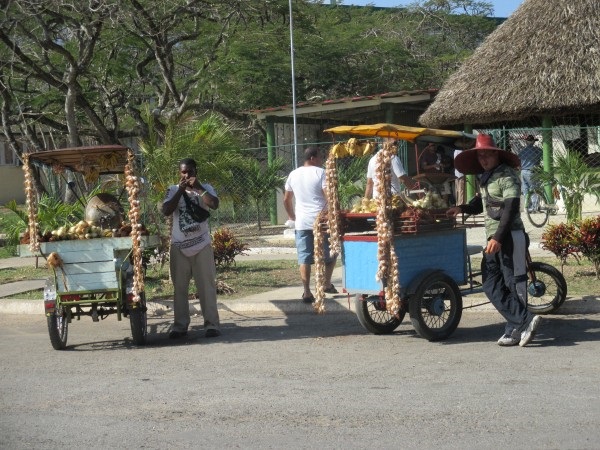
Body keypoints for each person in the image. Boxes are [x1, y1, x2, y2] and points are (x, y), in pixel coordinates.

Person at [446, 134, 541, 347]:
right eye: (480, 156)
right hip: (493, 240)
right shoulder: (487, 177)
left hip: (509, 237)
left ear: (496, 154)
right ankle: (523, 321)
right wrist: (461, 209)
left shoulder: (508, 176)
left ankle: (516, 327)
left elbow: (511, 208)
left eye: (487, 155)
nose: (483, 159)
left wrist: (498, 237)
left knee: (513, 284)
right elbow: (481, 203)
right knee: (490, 283)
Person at [162, 158, 221, 339]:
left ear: (196, 171)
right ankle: (180, 326)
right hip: (179, 246)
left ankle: (211, 325)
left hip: (201, 245)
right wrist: (180, 190)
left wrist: (199, 188)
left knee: (206, 287)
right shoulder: (173, 190)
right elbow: (166, 210)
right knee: (180, 287)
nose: (186, 175)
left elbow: (214, 204)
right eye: (183, 172)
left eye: (189, 171)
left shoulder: (206, 188)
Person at [283, 147, 338, 303]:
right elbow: (329, 196)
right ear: (313, 158)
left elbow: (286, 199)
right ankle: (326, 284)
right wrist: (333, 213)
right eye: (320, 157)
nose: (321, 160)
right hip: (321, 222)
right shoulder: (321, 173)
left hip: (302, 223)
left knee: (304, 258)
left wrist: (292, 216)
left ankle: (307, 292)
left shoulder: (293, 174)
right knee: (332, 254)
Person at [518, 134, 543, 209]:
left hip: (523, 171)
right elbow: (542, 157)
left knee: (526, 189)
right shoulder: (538, 150)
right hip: (532, 171)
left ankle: (527, 207)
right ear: (533, 142)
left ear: (526, 142)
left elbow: (518, 161)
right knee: (534, 189)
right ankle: (534, 207)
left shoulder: (522, 151)